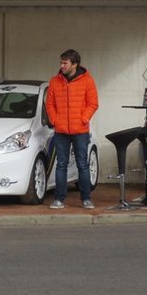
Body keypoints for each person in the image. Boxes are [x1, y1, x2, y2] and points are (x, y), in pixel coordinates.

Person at [46, 49, 99, 209]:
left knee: (82, 164)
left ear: (74, 64)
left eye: (65, 63)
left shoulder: (87, 81)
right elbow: (49, 104)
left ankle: (86, 199)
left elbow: (93, 103)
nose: (61, 65)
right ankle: (59, 199)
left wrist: (83, 119)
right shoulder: (54, 81)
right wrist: (55, 120)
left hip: (80, 131)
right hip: (61, 131)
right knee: (61, 164)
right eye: (61, 62)